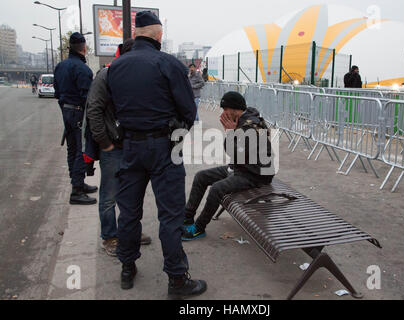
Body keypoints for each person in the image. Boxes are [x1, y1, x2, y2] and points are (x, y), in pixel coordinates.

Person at [107, 11, 207, 297]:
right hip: (164, 147)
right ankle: (177, 280)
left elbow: (112, 107)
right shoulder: (168, 63)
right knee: (171, 215)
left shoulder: (116, 67)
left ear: (136, 34)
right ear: (158, 35)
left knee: (128, 212)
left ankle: (127, 267)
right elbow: (189, 109)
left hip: (130, 147)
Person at [86, 39, 152, 257]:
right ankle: (110, 236)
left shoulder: (135, 77)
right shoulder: (106, 76)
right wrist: (105, 143)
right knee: (109, 195)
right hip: (113, 147)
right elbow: (93, 110)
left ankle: (130, 231)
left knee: (131, 193)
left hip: (133, 144)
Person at [182, 91, 275, 241]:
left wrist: (231, 133)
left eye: (225, 109)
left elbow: (236, 152)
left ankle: (199, 228)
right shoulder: (242, 120)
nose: (223, 113)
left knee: (217, 189)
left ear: (235, 108)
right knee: (201, 177)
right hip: (241, 167)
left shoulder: (250, 126)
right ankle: (187, 217)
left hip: (256, 175)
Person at [54, 32, 97, 205]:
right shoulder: (83, 69)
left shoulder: (60, 66)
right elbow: (88, 98)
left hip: (66, 111)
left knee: (72, 149)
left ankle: (77, 182)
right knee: (81, 150)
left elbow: (57, 92)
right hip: (79, 113)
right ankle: (77, 190)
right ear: (84, 48)